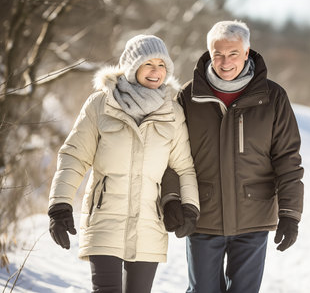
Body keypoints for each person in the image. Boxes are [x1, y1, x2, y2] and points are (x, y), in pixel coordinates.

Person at [47, 34, 200, 293]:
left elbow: (184, 166)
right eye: (148, 64)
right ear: (132, 66)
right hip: (105, 218)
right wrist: (59, 206)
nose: (156, 71)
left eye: (161, 65)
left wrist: (190, 207)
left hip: (149, 223)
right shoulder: (101, 104)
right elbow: (74, 156)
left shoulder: (172, 113)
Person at [161, 20, 304, 293]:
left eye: (233, 54)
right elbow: (171, 156)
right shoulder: (189, 98)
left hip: (254, 216)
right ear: (209, 54)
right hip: (202, 215)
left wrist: (290, 213)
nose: (225, 62)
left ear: (247, 53)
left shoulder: (272, 97)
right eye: (218, 54)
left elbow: (288, 159)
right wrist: (172, 198)